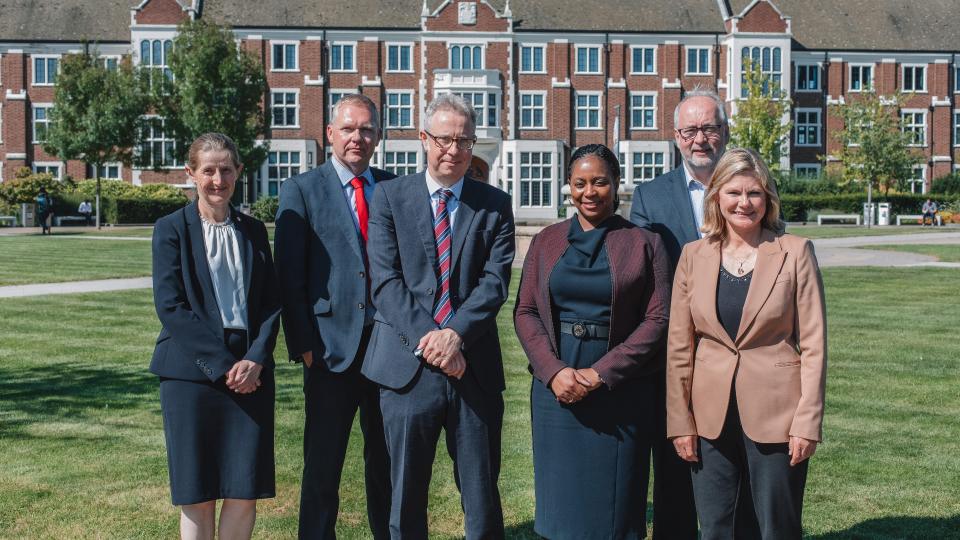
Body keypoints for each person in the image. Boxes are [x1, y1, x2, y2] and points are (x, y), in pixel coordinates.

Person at [362, 93, 515, 539]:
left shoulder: (495, 204)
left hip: (473, 369)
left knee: (482, 494)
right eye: (445, 139)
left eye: (464, 141)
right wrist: (434, 339)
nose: (454, 150)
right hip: (407, 370)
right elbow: (386, 281)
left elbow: (495, 283)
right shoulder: (390, 197)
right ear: (424, 139)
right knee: (405, 493)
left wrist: (456, 337)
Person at [667, 148, 827, 539]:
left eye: (754, 193)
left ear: (768, 199)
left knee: (777, 527)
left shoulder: (795, 252)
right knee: (716, 527)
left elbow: (814, 344)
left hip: (778, 415)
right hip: (709, 417)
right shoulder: (693, 256)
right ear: (716, 197)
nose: (744, 203)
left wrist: (807, 422)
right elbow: (679, 348)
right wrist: (679, 422)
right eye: (734, 192)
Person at [514, 144, 670, 539]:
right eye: (580, 182)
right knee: (560, 506)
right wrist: (553, 372)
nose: (589, 191)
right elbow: (526, 311)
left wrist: (601, 373)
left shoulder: (644, 243)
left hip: (621, 387)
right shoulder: (546, 241)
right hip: (556, 388)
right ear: (568, 186)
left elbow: (659, 318)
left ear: (616, 185)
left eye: (600, 181)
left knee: (616, 511)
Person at [274, 93, 394, 539]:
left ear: (377, 136)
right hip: (328, 352)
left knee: (385, 462)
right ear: (330, 134)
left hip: (386, 351)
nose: (357, 138)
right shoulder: (301, 190)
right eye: (348, 128)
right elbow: (289, 276)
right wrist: (303, 345)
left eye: (366, 129)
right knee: (323, 466)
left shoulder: (393, 186)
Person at [151, 133, 281, 540]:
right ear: (191, 174)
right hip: (192, 377)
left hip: (253, 376)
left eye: (226, 169)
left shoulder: (254, 231)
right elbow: (171, 308)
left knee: (244, 491)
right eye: (208, 170)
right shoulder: (170, 229)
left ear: (239, 172)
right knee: (199, 493)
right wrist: (227, 366)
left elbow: (271, 304)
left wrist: (256, 359)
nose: (217, 179)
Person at [628, 87, 730, 538]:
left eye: (708, 128)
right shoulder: (651, 197)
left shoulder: (747, 187)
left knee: (731, 465)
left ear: (724, 132)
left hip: (735, 349)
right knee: (673, 471)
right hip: (675, 354)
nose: (699, 138)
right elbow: (641, 278)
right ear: (675, 137)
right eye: (690, 130)